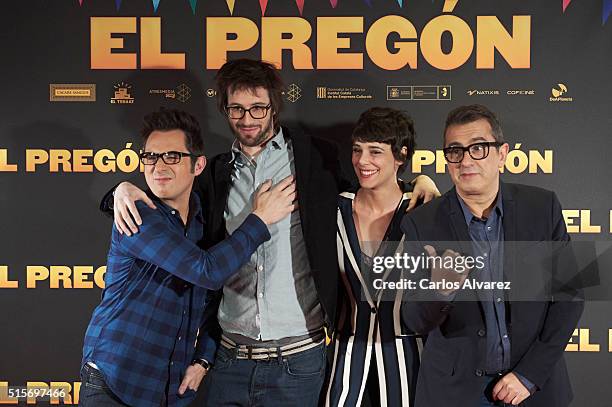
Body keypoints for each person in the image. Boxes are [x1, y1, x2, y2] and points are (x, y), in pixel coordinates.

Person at [106, 59, 439, 406]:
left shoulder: (318, 157)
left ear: (274, 106)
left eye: (257, 108)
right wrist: (119, 190)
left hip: (299, 361)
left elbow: (372, 186)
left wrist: (420, 180)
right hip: (229, 359)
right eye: (236, 108)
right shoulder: (213, 175)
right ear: (224, 108)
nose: (247, 118)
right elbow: (168, 196)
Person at [80, 108, 296, 407]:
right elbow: (206, 271)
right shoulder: (139, 215)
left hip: (168, 391)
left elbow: (212, 297)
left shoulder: (200, 216)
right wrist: (260, 219)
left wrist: (204, 358)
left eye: (172, 157)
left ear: (198, 165)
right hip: (116, 385)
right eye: (151, 157)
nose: (158, 166)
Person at [400, 104, 584, 407]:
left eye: (479, 148)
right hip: (456, 393)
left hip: (534, 388)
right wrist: (439, 290)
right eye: (455, 151)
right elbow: (413, 321)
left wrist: (529, 375)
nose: (466, 160)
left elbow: (570, 295)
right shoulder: (422, 223)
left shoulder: (543, 207)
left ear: (502, 154)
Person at [323, 107, 423, 407]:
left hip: (406, 351)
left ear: (401, 155)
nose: (362, 161)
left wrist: (425, 181)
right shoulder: (334, 208)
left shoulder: (424, 209)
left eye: (375, 152)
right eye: (357, 150)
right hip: (346, 347)